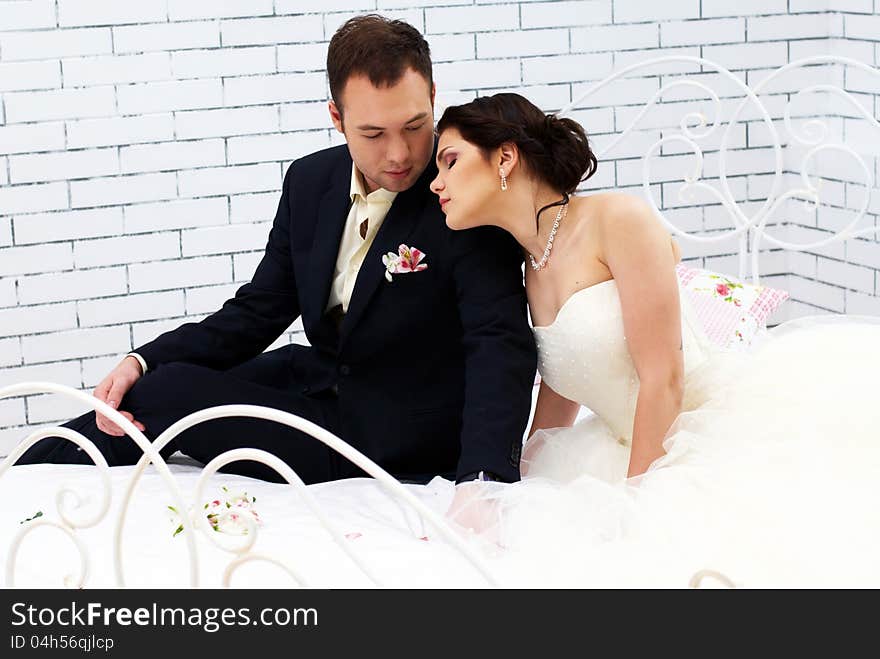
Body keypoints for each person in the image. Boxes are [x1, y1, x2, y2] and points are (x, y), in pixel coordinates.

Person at [18, 16, 537, 497]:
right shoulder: (311, 181)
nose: (399, 154)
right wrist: (141, 358)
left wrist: (484, 481)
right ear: (337, 118)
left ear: (433, 97)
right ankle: (26, 480)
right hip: (315, 381)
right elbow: (257, 310)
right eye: (373, 134)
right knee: (154, 381)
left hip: (396, 431)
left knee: (170, 391)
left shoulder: (463, 196)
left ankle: (30, 480)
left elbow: (499, 342)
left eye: (414, 125)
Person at [432, 92, 880, 587]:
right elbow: (564, 389)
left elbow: (663, 375)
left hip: (694, 431)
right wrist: (517, 487)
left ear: (505, 157)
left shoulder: (617, 220)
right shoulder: (528, 265)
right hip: (617, 444)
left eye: (450, 161)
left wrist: (637, 506)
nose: (437, 183)